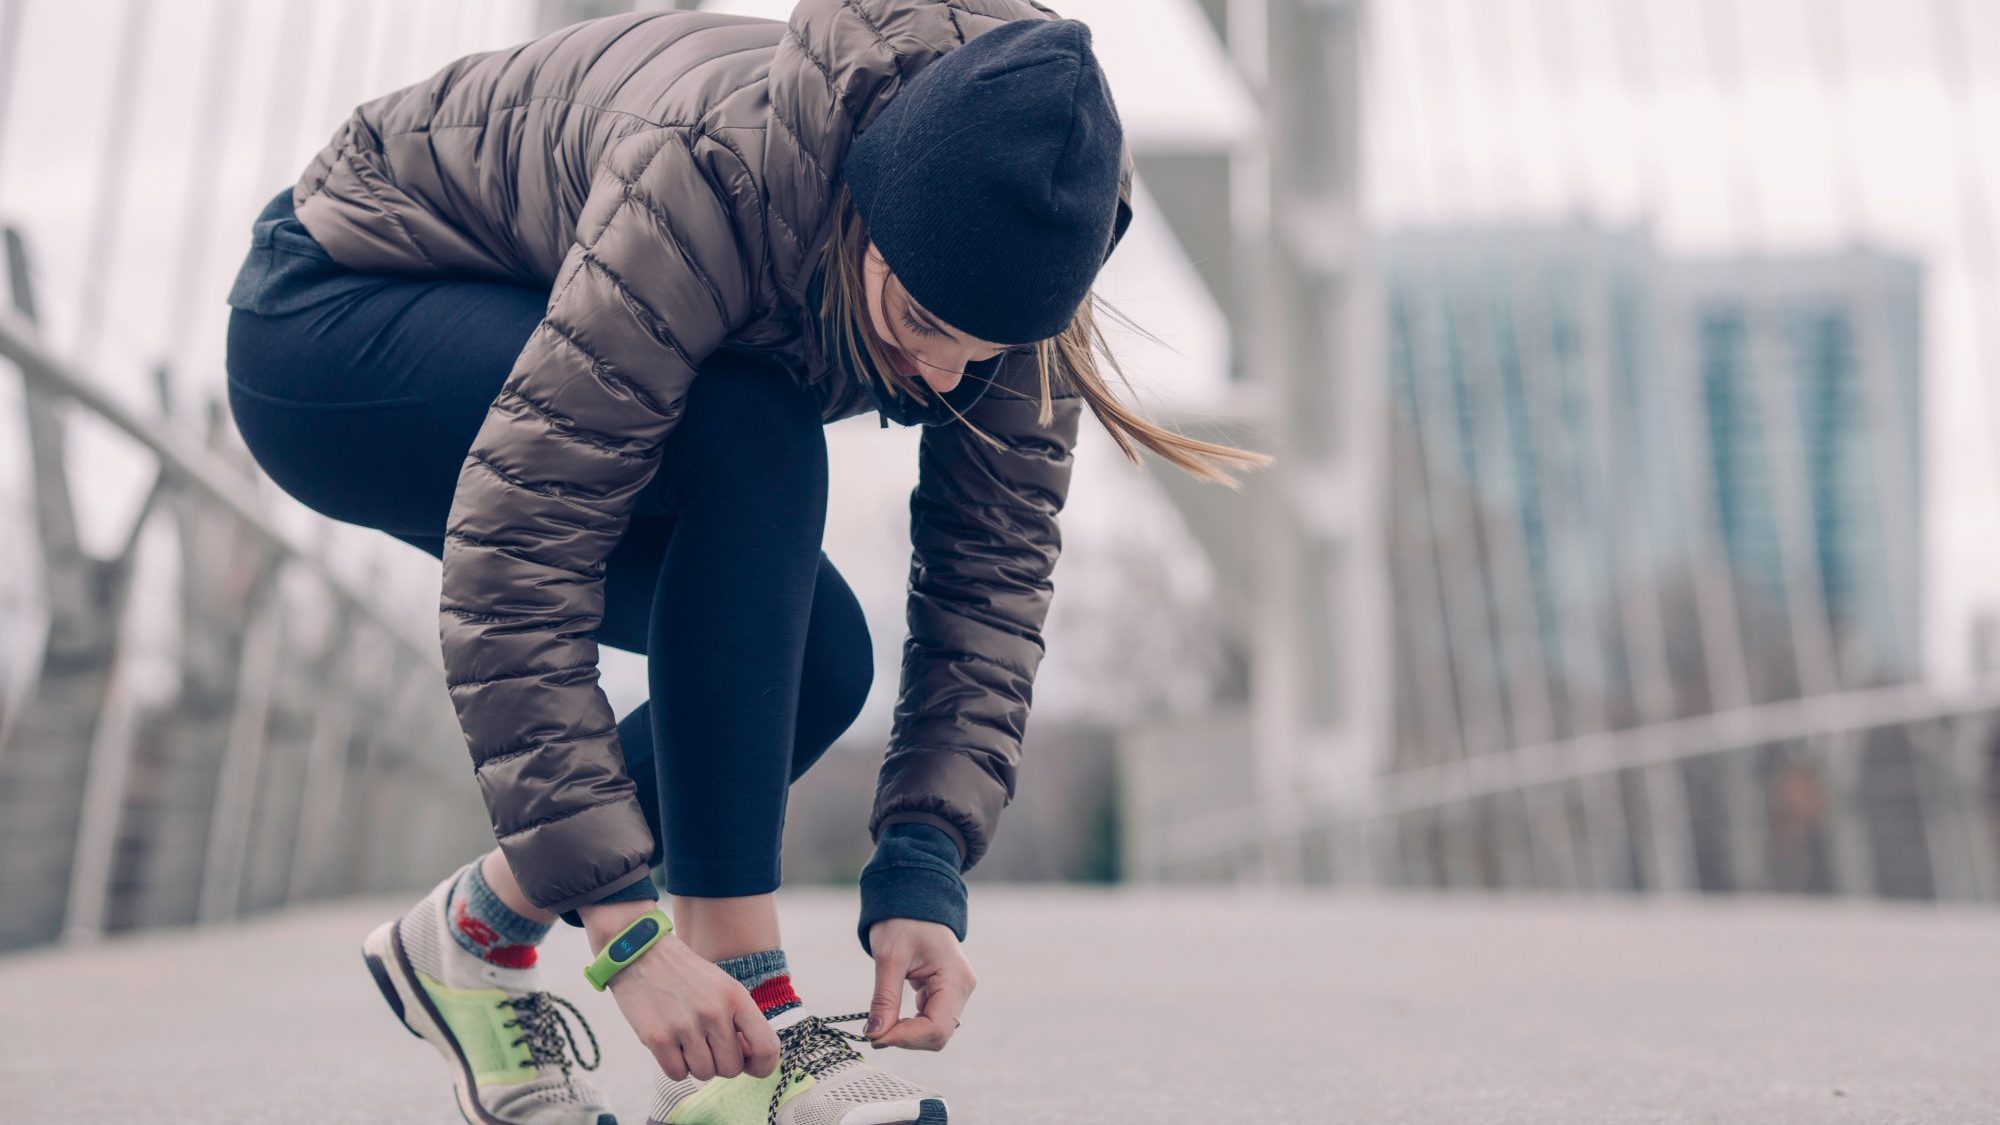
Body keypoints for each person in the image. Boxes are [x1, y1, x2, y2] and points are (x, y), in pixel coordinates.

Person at [221, 3, 1268, 1124]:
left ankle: (472, 933)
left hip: (529, 335)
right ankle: (748, 1005)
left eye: (983, 352)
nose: (939, 371)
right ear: (868, 209)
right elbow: (523, 557)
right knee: (751, 426)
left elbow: (992, 579)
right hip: (336, 315)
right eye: (917, 318)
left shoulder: (1015, 274)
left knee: (811, 660)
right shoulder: (713, 178)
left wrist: (923, 863)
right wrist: (625, 926)